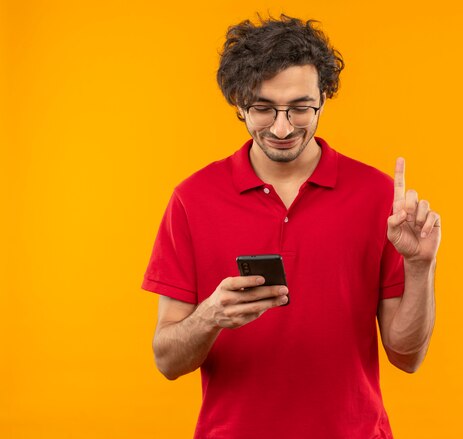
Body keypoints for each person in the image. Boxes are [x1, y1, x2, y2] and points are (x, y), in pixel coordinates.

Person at [141, 14, 441, 439]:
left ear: (323, 99)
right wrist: (209, 316)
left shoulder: (378, 197)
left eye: (301, 108)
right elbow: (167, 361)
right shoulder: (192, 199)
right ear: (239, 104)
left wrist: (420, 266)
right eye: (263, 108)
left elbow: (406, 357)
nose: (283, 128)